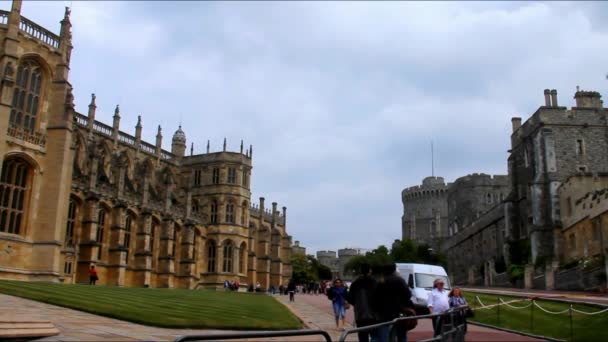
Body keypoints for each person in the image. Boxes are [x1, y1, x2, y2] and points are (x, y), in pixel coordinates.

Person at [372, 263, 414, 342]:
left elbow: (375, 299)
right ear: (394, 270)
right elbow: (408, 295)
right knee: (402, 336)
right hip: (399, 312)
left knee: (384, 336)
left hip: (384, 314)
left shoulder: (381, 282)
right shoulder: (400, 280)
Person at [347, 263, 378, 342]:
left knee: (362, 337)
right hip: (373, 314)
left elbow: (350, 299)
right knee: (375, 335)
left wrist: (357, 304)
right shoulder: (374, 282)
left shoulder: (355, 283)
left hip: (360, 314)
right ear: (370, 270)